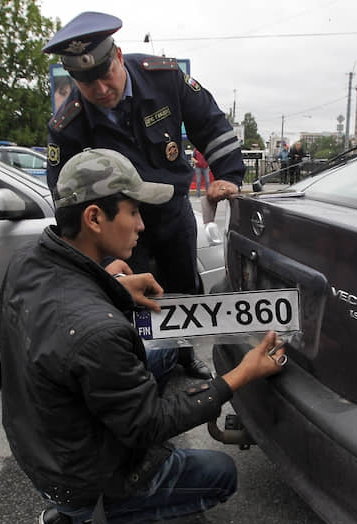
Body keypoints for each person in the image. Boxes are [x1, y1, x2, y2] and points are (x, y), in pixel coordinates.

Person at [0, 148, 287, 524]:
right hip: (79, 478)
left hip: (42, 439)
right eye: (132, 211)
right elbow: (150, 424)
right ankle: (79, 523)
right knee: (222, 474)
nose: (141, 225)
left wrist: (108, 286)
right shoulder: (97, 333)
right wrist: (241, 374)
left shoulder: (27, 261)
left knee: (165, 346)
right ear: (95, 218)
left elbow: (61, 315)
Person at [43, 11, 243, 380]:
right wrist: (96, 260)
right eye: (88, 84)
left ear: (118, 57)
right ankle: (149, 372)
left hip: (172, 209)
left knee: (183, 286)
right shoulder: (68, 123)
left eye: (105, 75)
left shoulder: (163, 77)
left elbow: (211, 124)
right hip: (120, 226)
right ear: (74, 80)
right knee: (140, 298)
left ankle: (185, 358)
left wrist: (227, 175)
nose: (101, 90)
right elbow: (64, 200)